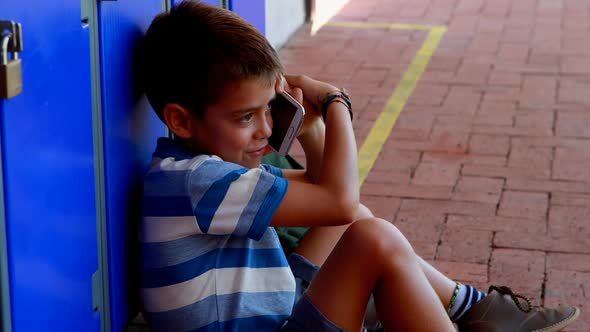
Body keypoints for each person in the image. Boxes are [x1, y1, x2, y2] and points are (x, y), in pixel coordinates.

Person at [136, 1, 580, 331]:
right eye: (245, 116)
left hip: (269, 310)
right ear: (181, 120)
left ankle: (476, 311)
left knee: (357, 225)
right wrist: (336, 105)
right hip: (265, 322)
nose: (266, 130)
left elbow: (326, 198)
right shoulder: (201, 182)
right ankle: (475, 313)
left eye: (269, 109)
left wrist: (310, 131)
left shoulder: (202, 172)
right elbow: (339, 199)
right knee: (372, 236)